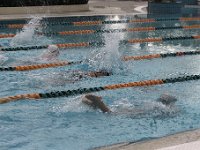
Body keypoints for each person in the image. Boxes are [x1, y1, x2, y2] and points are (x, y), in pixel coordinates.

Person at [82, 94, 178, 113]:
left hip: (134, 107)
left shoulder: (154, 104)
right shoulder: (161, 108)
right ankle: (99, 102)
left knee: (114, 111)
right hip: (138, 111)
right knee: (111, 113)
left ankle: (92, 103)